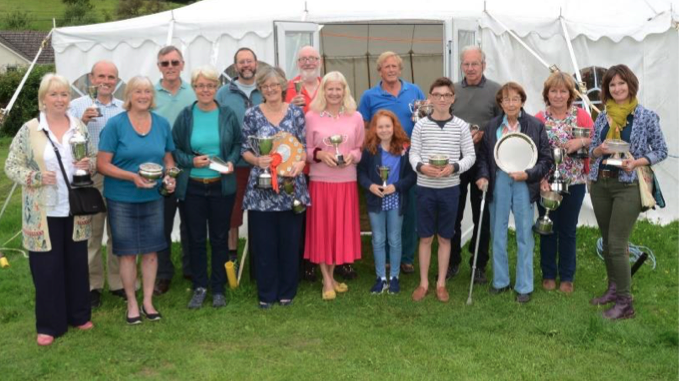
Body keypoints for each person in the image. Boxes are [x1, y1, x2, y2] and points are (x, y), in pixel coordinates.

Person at [5, 73, 95, 346]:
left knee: (77, 264)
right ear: (43, 99)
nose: (59, 99)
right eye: (53, 94)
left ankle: (79, 315)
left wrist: (87, 165)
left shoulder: (78, 126)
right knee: (46, 269)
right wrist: (35, 177)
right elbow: (11, 165)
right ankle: (48, 324)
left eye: (64, 94)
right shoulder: (29, 129)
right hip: (42, 213)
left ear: (70, 98)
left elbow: (90, 158)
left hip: (75, 208)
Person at [588, 64, 667, 320]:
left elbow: (661, 150)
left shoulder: (645, 116)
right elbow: (592, 149)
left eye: (622, 83)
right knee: (609, 241)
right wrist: (599, 150)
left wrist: (637, 162)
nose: (617, 88)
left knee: (617, 243)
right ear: (607, 89)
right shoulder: (602, 116)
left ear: (631, 85)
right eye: (612, 85)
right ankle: (613, 289)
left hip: (628, 184)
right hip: (601, 183)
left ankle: (625, 303)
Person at [97, 76, 177, 324]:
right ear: (129, 95)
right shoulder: (115, 125)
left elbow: (168, 160)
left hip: (153, 197)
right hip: (121, 198)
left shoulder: (162, 124)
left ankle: (148, 301)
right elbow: (102, 164)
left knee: (152, 252)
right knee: (128, 253)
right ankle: (132, 302)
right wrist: (132, 177)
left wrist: (170, 177)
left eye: (147, 91)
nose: (143, 96)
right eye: (138, 91)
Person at [476, 82, 552, 304]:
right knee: (497, 232)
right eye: (506, 99)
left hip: (523, 182)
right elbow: (483, 158)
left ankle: (524, 285)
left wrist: (529, 175)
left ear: (522, 101)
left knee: (524, 234)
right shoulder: (491, 127)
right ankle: (500, 281)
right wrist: (483, 176)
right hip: (499, 180)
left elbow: (546, 159)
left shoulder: (535, 125)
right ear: (500, 102)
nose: (510, 103)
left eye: (515, 99)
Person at [173, 66, 242, 309]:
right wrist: (191, 161)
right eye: (201, 86)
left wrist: (231, 161)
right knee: (196, 238)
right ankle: (200, 286)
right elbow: (176, 150)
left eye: (210, 85)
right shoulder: (185, 116)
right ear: (194, 88)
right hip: (192, 187)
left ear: (216, 88)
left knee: (220, 238)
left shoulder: (227, 114)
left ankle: (218, 287)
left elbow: (236, 143)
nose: (205, 90)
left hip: (221, 187)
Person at [241, 67, 309, 308]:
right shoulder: (251, 115)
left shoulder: (297, 113)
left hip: (291, 187)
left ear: (283, 87)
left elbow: (303, 146)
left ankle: (287, 291)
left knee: (290, 242)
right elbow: (244, 149)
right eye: (264, 86)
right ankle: (266, 293)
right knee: (264, 243)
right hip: (261, 190)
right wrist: (257, 160)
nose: (270, 89)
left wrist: (300, 164)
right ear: (260, 89)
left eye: (274, 85)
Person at [358, 51, 426, 275]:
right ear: (379, 70)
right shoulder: (369, 96)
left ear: (400, 68)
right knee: (383, 206)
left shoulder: (414, 91)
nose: (391, 70)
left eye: (394, 66)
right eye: (386, 66)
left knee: (408, 208)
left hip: (408, 159)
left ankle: (406, 257)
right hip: (381, 158)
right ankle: (385, 257)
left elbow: (425, 118)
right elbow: (365, 126)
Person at [409, 77, 475, 303]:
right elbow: (413, 154)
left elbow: (470, 156)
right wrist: (422, 167)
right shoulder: (420, 125)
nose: (442, 99)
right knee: (426, 237)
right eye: (437, 95)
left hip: (449, 189)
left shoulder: (461, 126)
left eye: (446, 95)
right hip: (425, 188)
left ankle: (441, 284)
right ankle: (424, 283)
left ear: (453, 98)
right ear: (430, 97)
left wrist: (454, 168)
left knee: (445, 237)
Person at [69, 60, 126, 308]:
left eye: (111, 77)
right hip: (89, 176)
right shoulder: (75, 107)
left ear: (117, 81)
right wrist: (81, 121)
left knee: (118, 233)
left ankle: (118, 282)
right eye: (101, 76)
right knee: (91, 234)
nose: (105, 81)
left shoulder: (124, 108)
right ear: (91, 79)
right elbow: (65, 140)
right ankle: (93, 286)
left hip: (116, 174)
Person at [304, 71, 365, 300]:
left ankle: (331, 277)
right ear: (323, 90)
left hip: (346, 180)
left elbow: (359, 148)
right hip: (320, 181)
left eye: (339, 88)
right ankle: (327, 280)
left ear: (345, 90)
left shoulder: (355, 116)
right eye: (330, 88)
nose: (334, 93)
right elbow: (305, 151)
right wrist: (320, 154)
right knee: (322, 230)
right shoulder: (311, 116)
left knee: (338, 230)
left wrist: (352, 157)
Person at [535, 72, 594, 294]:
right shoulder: (538, 118)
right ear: (546, 94)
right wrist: (540, 179)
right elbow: (532, 152)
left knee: (568, 230)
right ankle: (548, 274)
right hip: (547, 183)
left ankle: (567, 276)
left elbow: (597, 139)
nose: (558, 95)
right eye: (554, 91)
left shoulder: (581, 116)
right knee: (548, 228)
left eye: (563, 91)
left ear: (570, 94)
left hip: (575, 182)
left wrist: (582, 140)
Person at [448, 46, 502, 283]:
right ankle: (452, 261)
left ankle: (478, 264)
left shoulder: (496, 90)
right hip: (456, 162)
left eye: (475, 64)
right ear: (461, 65)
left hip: (484, 162)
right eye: (466, 64)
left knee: (483, 216)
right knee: (453, 214)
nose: (470, 68)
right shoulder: (451, 90)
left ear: (484, 65)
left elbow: (503, 122)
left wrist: (485, 134)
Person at [153, 45, 197, 295]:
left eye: (174, 62)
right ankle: (163, 273)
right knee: (162, 224)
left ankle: (191, 268)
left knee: (190, 222)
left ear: (182, 64)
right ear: (158, 66)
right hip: (159, 167)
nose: (170, 67)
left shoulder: (193, 92)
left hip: (189, 165)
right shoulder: (150, 94)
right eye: (165, 63)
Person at [357, 110, 416, 294]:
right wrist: (371, 186)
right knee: (378, 239)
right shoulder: (369, 149)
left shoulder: (404, 148)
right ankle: (381, 277)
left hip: (396, 198)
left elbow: (411, 175)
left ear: (394, 127)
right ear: (374, 128)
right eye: (380, 126)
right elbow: (361, 173)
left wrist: (396, 187)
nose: (384, 130)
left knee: (395, 239)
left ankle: (395, 277)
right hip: (376, 199)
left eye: (387, 126)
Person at [215, 47, 263, 271]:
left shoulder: (266, 89)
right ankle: (231, 256)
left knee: (262, 210)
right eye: (241, 62)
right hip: (235, 163)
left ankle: (259, 255)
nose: (246, 65)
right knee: (233, 212)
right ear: (235, 66)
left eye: (250, 61)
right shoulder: (223, 93)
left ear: (256, 64)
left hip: (265, 162)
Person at [284, 45, 322, 282]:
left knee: (320, 216)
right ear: (298, 62)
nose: (308, 62)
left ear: (319, 61)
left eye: (312, 58)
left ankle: (324, 259)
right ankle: (304, 262)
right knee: (300, 216)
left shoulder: (328, 84)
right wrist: (291, 107)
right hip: (296, 164)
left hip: (322, 163)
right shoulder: (288, 88)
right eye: (304, 59)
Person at [285, 45, 322, 114]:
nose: (307, 63)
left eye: (312, 58)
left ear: (320, 62)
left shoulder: (329, 87)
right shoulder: (286, 88)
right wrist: (289, 108)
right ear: (297, 63)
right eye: (303, 59)